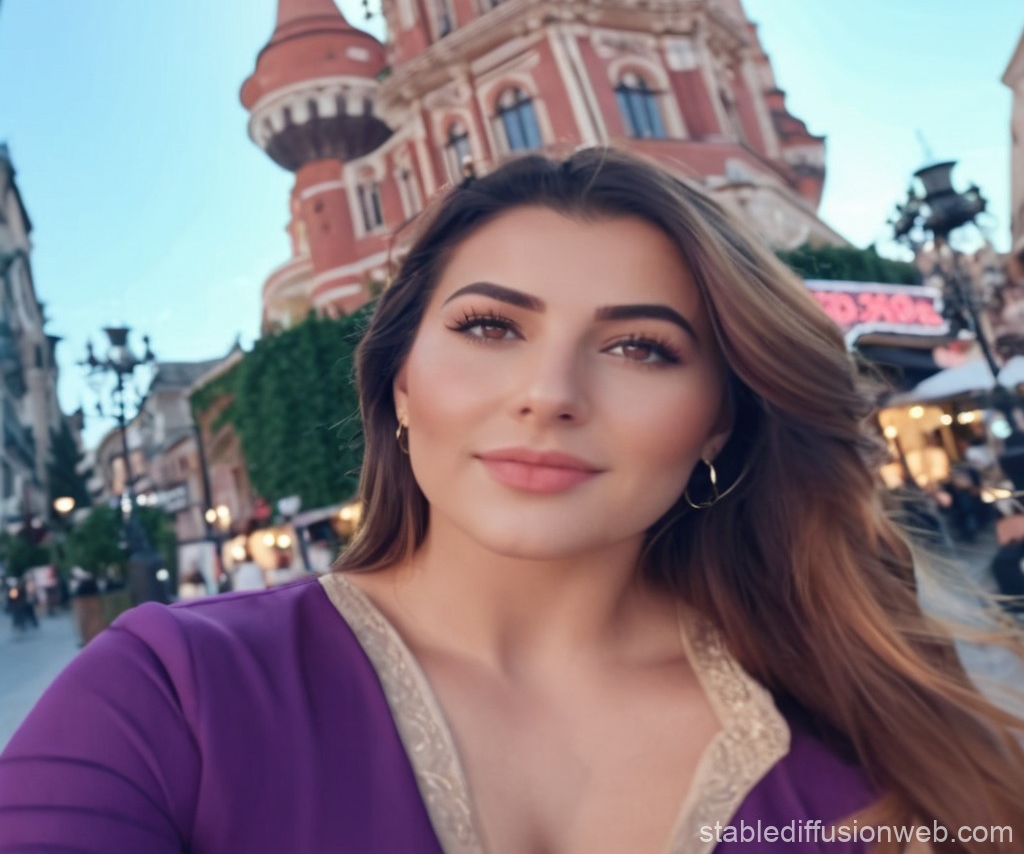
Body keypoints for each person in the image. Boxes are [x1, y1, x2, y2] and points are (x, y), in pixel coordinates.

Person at [1, 148, 1022, 852]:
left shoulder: (866, 737)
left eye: (641, 346)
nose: (550, 392)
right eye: (491, 326)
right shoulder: (169, 699)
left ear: (717, 420)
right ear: (400, 382)